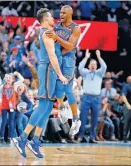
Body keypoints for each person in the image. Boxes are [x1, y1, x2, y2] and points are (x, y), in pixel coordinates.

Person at [12, 8, 68, 158]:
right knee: (43, 105)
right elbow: (52, 56)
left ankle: (35, 140)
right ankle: (22, 138)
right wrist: (60, 75)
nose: (53, 18)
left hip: (50, 71)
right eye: (50, 16)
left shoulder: (50, 31)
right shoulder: (46, 33)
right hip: (49, 70)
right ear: (45, 19)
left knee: (48, 107)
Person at [45, 5, 81, 135]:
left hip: (69, 60)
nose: (61, 15)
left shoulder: (75, 28)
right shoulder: (57, 26)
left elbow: (70, 46)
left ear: (70, 14)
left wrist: (56, 38)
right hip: (58, 58)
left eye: (64, 13)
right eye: (60, 12)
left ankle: (76, 119)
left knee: (66, 87)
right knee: (58, 89)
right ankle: (62, 109)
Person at [77, 49, 107, 143]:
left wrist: (99, 57)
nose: (93, 65)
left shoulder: (99, 73)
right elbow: (80, 67)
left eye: (95, 64)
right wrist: (86, 57)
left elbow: (104, 66)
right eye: (91, 64)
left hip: (96, 98)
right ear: (89, 66)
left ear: (96, 66)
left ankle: (92, 137)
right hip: (86, 97)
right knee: (83, 118)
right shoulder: (85, 73)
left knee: (95, 119)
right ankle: (80, 136)